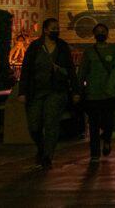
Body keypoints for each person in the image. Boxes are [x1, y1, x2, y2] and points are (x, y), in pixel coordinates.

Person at [17, 18, 78, 169]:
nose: (56, 30)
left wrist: (76, 90)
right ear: (45, 30)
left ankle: (47, 156)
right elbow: (26, 70)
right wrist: (22, 91)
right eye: (53, 28)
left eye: (57, 28)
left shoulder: (62, 47)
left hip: (56, 91)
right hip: (36, 91)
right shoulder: (35, 47)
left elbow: (70, 69)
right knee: (34, 125)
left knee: (51, 123)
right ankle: (42, 146)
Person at [78, 23, 115, 164]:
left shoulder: (113, 49)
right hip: (93, 92)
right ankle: (94, 153)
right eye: (98, 32)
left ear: (107, 34)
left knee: (108, 122)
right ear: (94, 34)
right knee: (94, 124)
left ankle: (107, 139)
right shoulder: (89, 51)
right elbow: (83, 71)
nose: (100, 34)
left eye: (103, 31)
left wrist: (111, 86)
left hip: (108, 93)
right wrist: (79, 88)